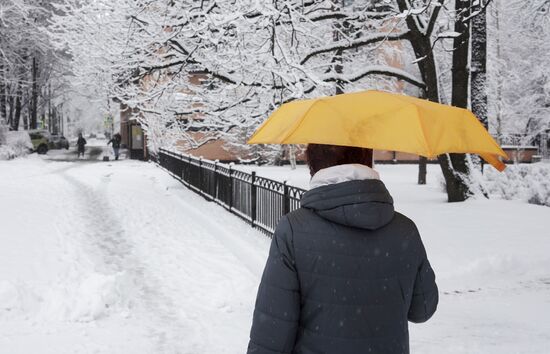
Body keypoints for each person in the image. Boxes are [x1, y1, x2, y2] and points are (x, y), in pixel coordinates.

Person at [247, 144, 438, 354]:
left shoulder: (294, 230)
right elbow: (423, 309)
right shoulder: (405, 230)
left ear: (314, 165)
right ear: (367, 160)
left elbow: (272, 331)